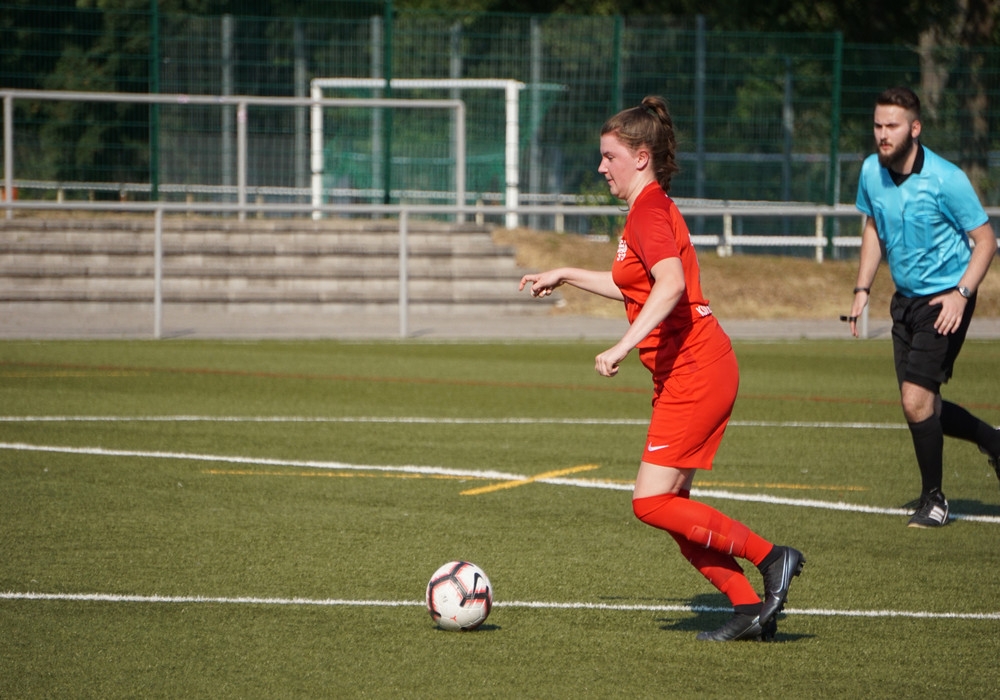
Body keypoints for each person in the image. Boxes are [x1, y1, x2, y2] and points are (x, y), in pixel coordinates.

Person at [519, 96, 804, 642]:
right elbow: (632, 283)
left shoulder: (648, 211)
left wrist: (623, 344)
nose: (600, 167)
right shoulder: (647, 210)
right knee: (673, 509)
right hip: (691, 368)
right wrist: (565, 272)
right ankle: (748, 607)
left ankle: (772, 558)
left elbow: (670, 286)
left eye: (608, 157)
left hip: (695, 368)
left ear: (641, 157)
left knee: (650, 502)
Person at [849, 86, 1000, 528]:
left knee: (917, 401)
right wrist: (862, 290)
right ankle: (993, 441)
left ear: (914, 128)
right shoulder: (870, 172)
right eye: (877, 125)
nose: (882, 134)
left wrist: (962, 294)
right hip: (905, 303)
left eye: (891, 126)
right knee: (922, 404)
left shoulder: (946, 178)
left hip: (946, 300)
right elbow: (874, 227)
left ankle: (934, 500)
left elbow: (986, 241)